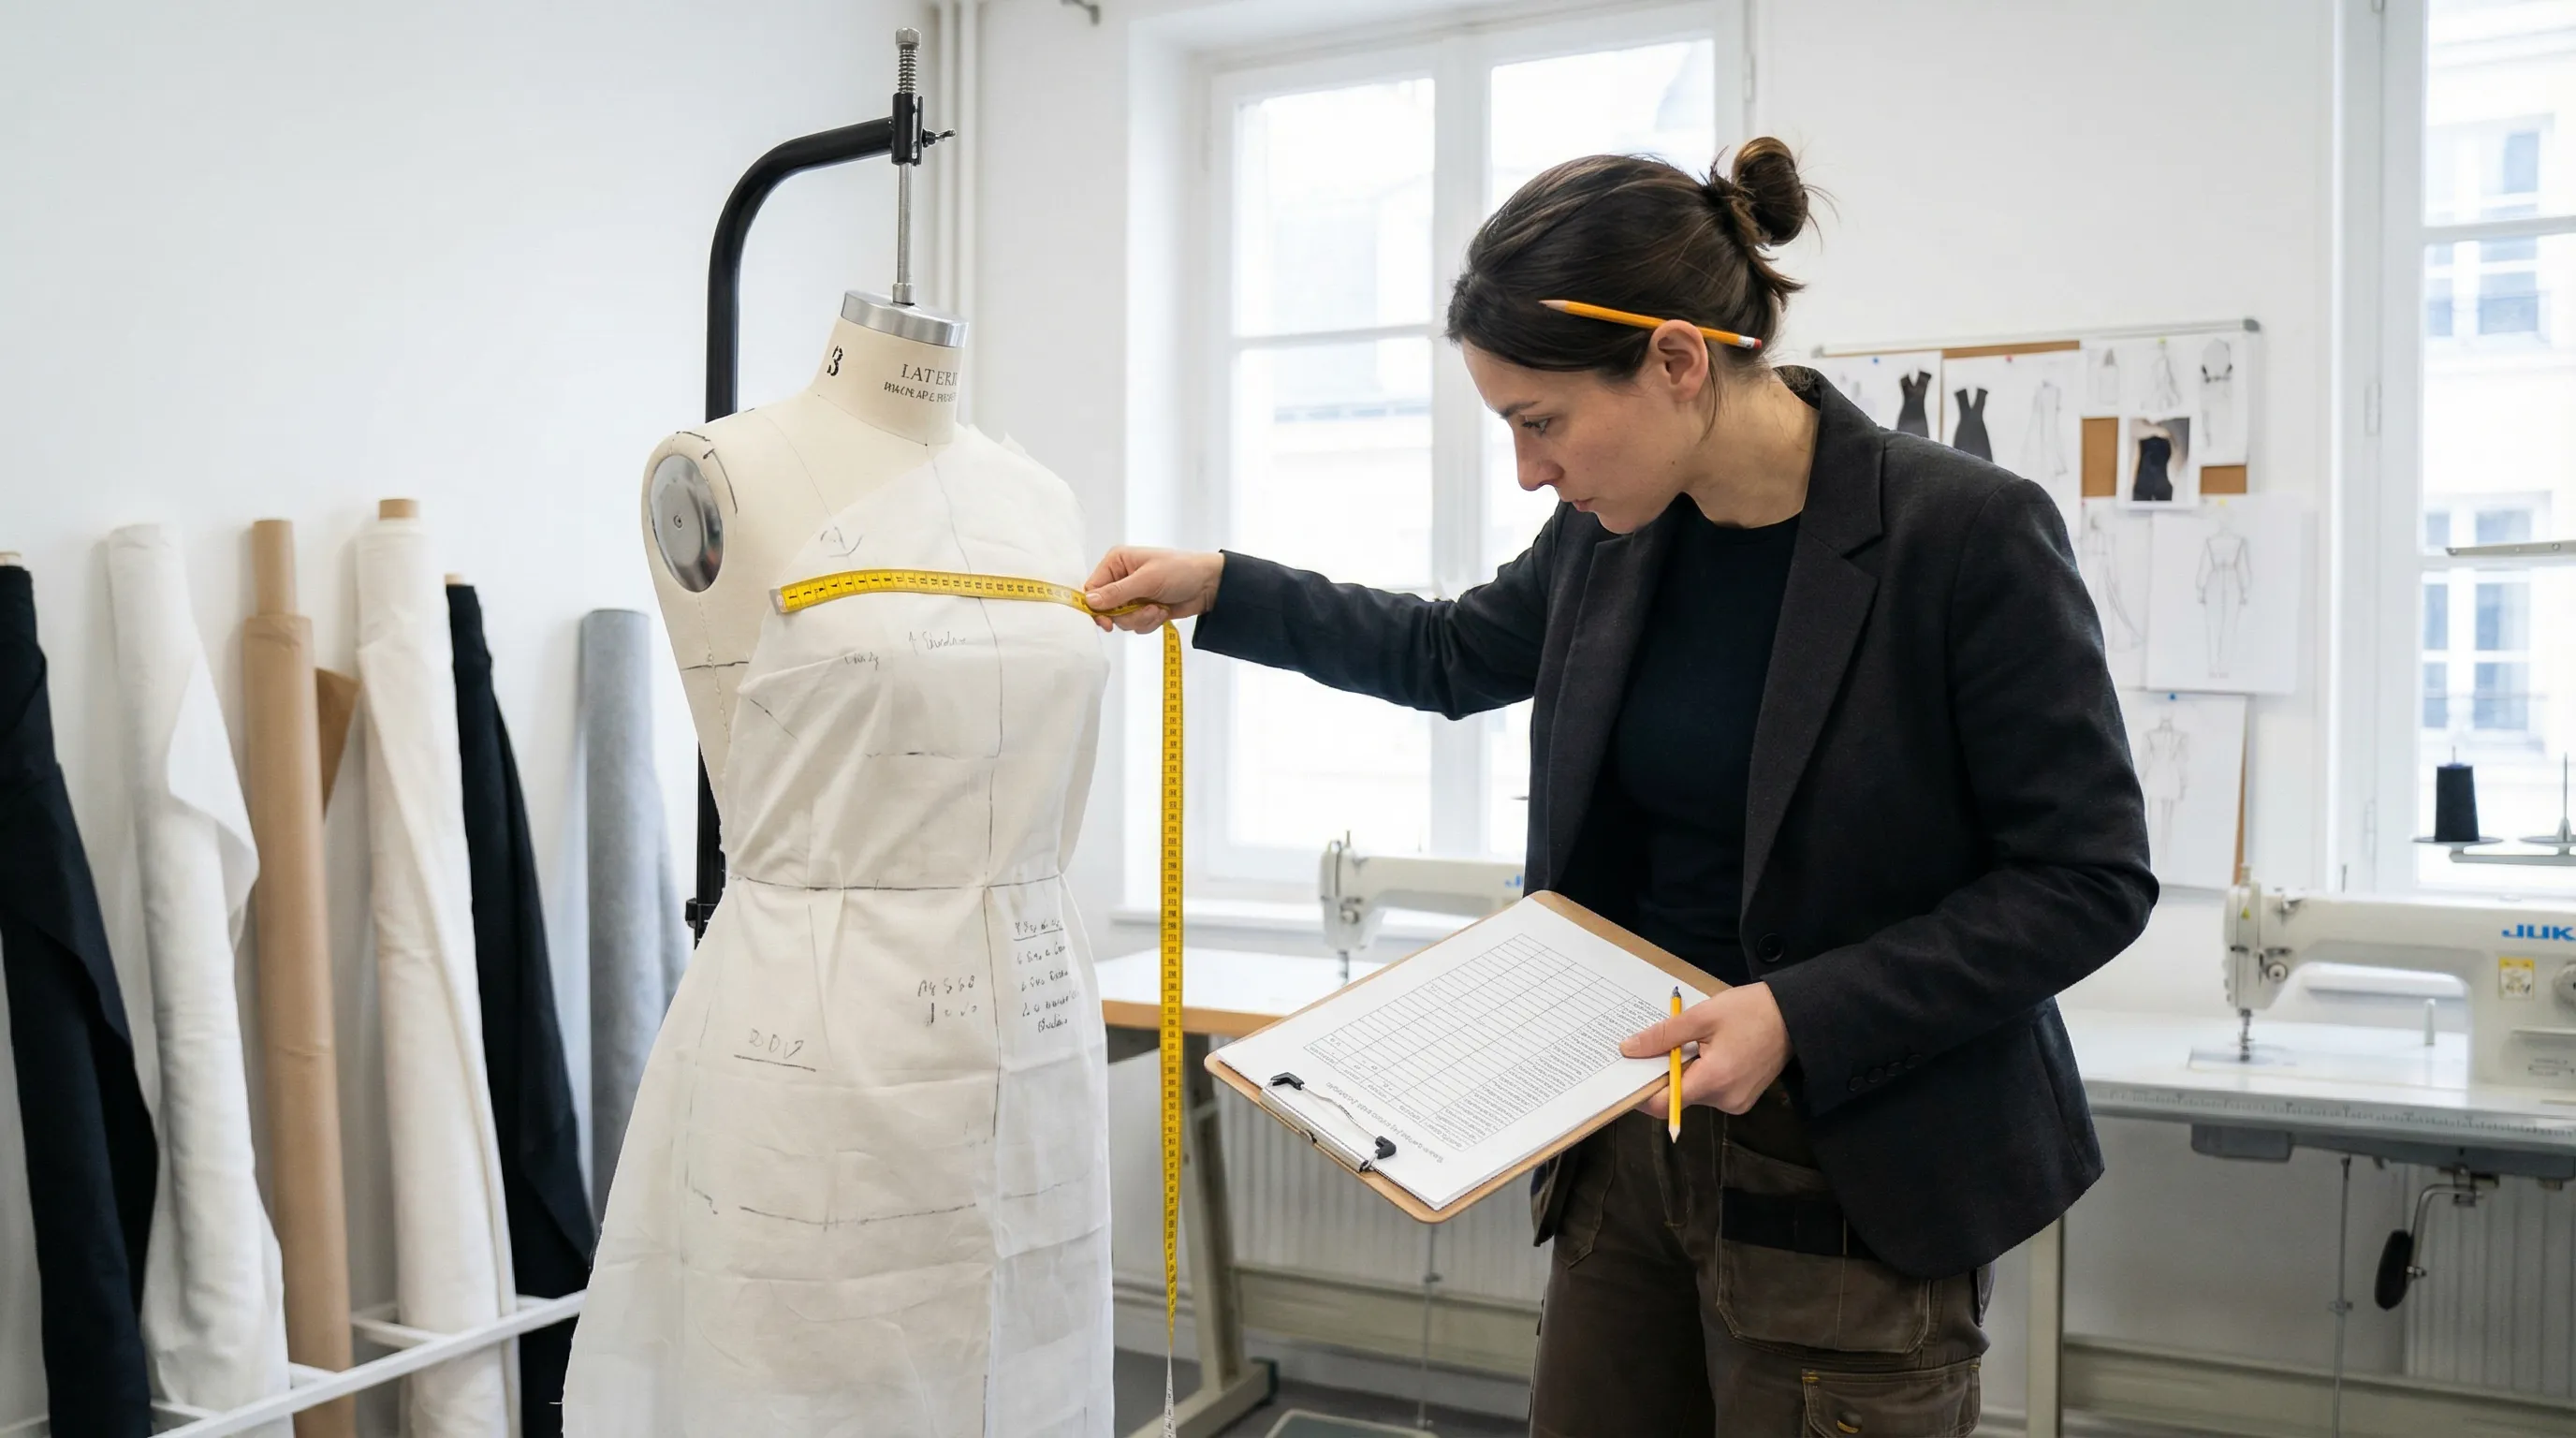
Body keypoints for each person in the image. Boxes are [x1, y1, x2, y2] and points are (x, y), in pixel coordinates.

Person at [1084, 139, 2154, 1435]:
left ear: (1677, 361)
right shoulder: (1612, 535)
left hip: (1854, 1179)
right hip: (1626, 1146)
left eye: (1541, 422)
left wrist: (1799, 1015)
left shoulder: (1965, 535)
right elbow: (1446, 650)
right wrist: (1222, 588)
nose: (1533, 470)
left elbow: (2087, 880)